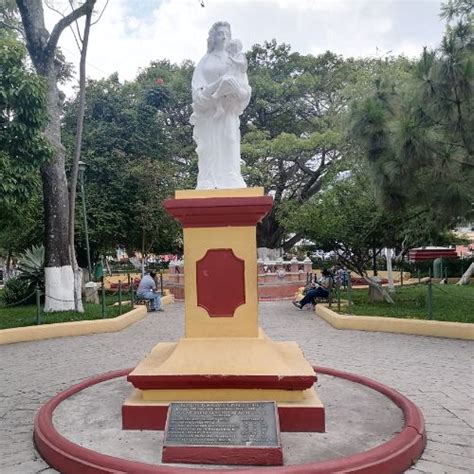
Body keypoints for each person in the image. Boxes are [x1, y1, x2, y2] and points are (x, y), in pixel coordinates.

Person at [190, 21, 251, 189]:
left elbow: (245, 93)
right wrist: (219, 84)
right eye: (219, 33)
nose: (223, 36)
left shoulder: (237, 60)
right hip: (209, 117)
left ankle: (231, 177)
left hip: (229, 112)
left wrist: (237, 90)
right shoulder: (204, 62)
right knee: (209, 148)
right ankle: (208, 180)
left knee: (230, 139)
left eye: (226, 33)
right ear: (212, 37)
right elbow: (198, 96)